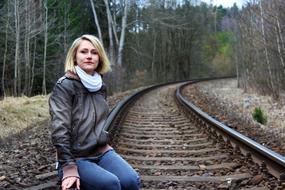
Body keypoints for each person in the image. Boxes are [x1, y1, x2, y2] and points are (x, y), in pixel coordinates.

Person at [49, 34, 140, 190]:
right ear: (75, 57)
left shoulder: (100, 86)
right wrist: (69, 168)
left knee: (131, 181)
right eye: (84, 52)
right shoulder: (64, 86)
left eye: (94, 52)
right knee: (110, 185)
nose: (89, 56)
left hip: (100, 151)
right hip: (75, 157)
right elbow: (59, 130)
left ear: (100, 57)